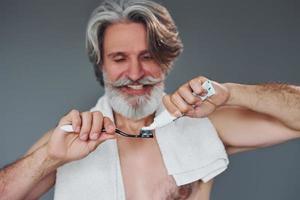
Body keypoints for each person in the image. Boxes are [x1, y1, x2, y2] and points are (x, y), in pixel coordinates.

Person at [0, 0, 299, 199]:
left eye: (148, 57)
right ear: (101, 65)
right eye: (119, 58)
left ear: (166, 62)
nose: (134, 73)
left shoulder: (203, 124)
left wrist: (232, 92)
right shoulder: (66, 141)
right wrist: (49, 159)